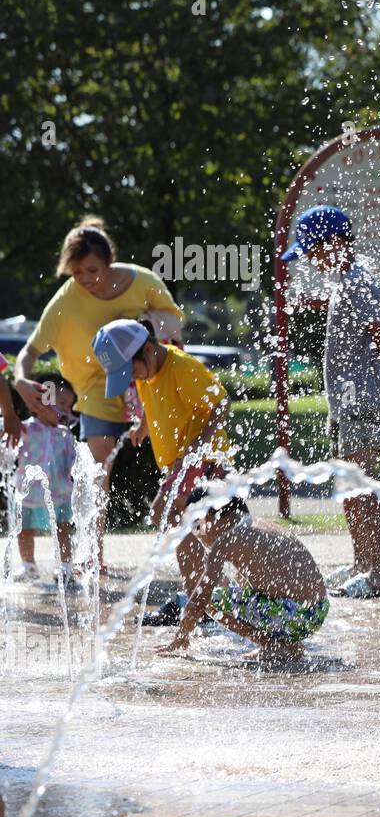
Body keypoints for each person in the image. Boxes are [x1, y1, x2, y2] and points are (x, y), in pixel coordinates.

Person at [12, 218, 183, 574]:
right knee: (95, 470)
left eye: (92, 270)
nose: (86, 280)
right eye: (76, 273)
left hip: (149, 383)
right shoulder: (67, 301)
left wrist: (137, 325)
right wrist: (21, 381)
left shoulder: (143, 282)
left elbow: (175, 326)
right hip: (96, 389)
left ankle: (195, 547)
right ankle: (94, 555)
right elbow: (29, 352)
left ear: (109, 261)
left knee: (174, 460)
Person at [280, 205, 380, 598]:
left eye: (313, 251)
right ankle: (362, 563)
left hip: (362, 401)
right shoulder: (347, 281)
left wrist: (378, 367)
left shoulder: (357, 282)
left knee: (359, 485)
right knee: (349, 487)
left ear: (333, 243)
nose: (312, 262)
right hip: (349, 403)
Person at [92, 319, 231, 625]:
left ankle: (202, 597)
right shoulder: (147, 372)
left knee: (165, 514)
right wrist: (142, 426)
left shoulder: (181, 368)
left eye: (130, 370)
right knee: (192, 528)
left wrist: (199, 446)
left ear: (147, 350)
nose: (131, 378)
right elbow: (148, 400)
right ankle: (206, 595)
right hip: (180, 462)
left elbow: (222, 405)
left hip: (203, 460)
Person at [155, 487, 328, 663]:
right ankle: (292, 647)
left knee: (210, 600)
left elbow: (200, 597)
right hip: (317, 611)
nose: (197, 534)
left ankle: (272, 646)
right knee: (244, 590)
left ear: (211, 517)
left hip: (297, 615)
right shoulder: (258, 525)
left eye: (196, 525)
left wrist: (181, 636)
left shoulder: (226, 540)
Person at [11, 374, 79, 582]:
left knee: (63, 529)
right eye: (63, 403)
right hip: (29, 493)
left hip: (59, 492)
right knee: (24, 530)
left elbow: (74, 463)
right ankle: (28, 565)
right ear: (43, 401)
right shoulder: (26, 428)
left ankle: (65, 567)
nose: (67, 410)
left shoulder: (65, 435)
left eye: (70, 406)